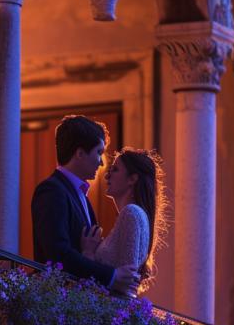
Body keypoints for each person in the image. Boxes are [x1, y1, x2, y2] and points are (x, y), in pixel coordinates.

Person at [31, 115, 139, 296]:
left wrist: (89, 253)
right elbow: (58, 254)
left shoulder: (80, 194)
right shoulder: (52, 190)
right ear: (80, 154)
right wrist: (112, 276)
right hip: (60, 300)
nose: (101, 162)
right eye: (98, 152)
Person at [81, 148, 167, 293]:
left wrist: (88, 253)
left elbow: (126, 280)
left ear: (132, 179)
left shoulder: (131, 213)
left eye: (115, 170)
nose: (107, 175)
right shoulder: (136, 214)